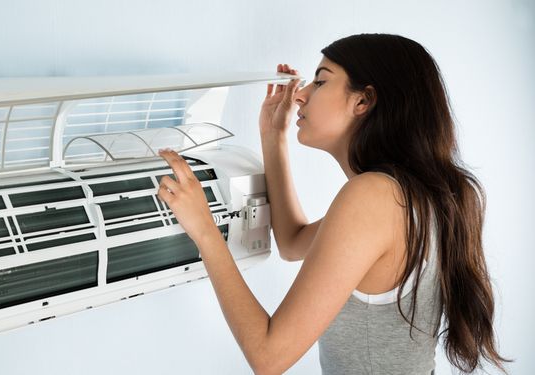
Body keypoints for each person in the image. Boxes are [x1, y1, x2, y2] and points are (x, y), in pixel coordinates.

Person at [156, 33, 509, 374]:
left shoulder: (374, 195)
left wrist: (205, 232)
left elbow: (268, 357)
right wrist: (273, 136)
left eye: (321, 81)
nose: (301, 95)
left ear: (362, 101)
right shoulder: (416, 194)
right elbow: (293, 244)